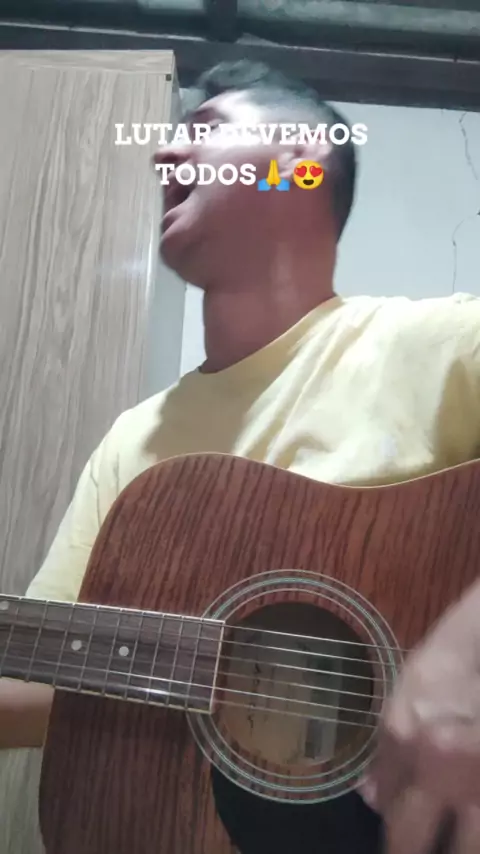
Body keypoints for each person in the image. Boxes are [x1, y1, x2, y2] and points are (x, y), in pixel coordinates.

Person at [1, 59, 479, 853]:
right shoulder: (133, 442)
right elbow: (44, 673)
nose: (163, 153)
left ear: (301, 163)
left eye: (206, 130)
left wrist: (465, 650)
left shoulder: (442, 346)